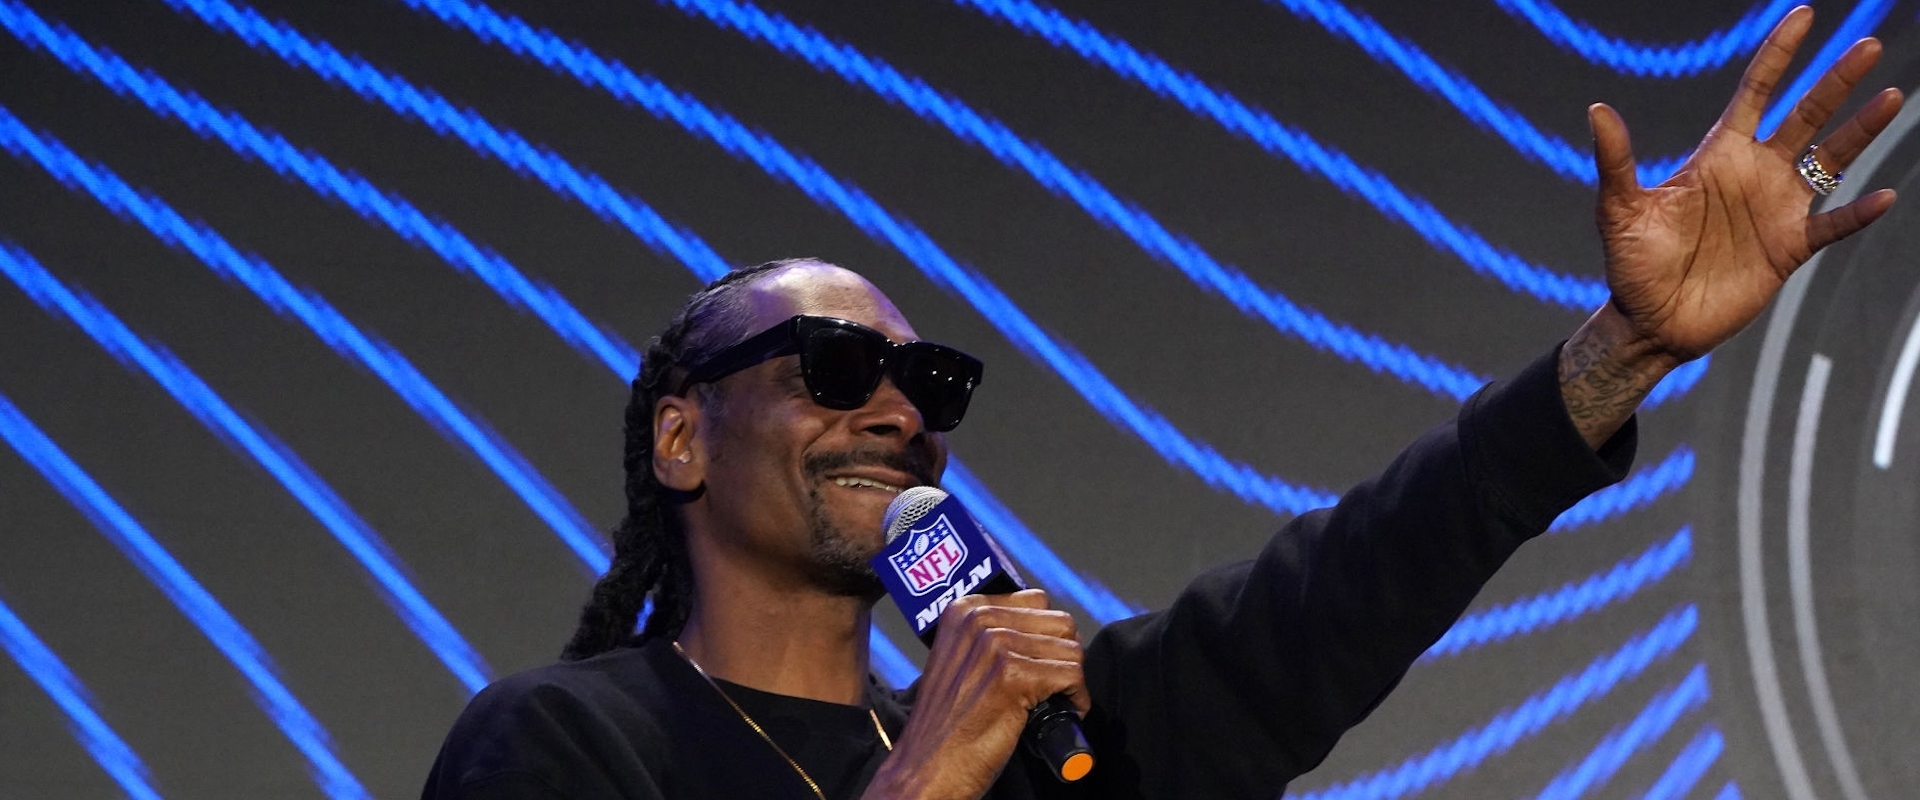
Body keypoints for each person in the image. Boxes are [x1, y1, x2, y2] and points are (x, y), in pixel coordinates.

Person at [421, 9, 1902, 799]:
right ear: (681, 435)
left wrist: (1623, 352)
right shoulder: (559, 746)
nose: (896, 408)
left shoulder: (1058, 744)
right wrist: (933, 776)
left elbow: (1357, 579)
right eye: (830, 367)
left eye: (927, 383)